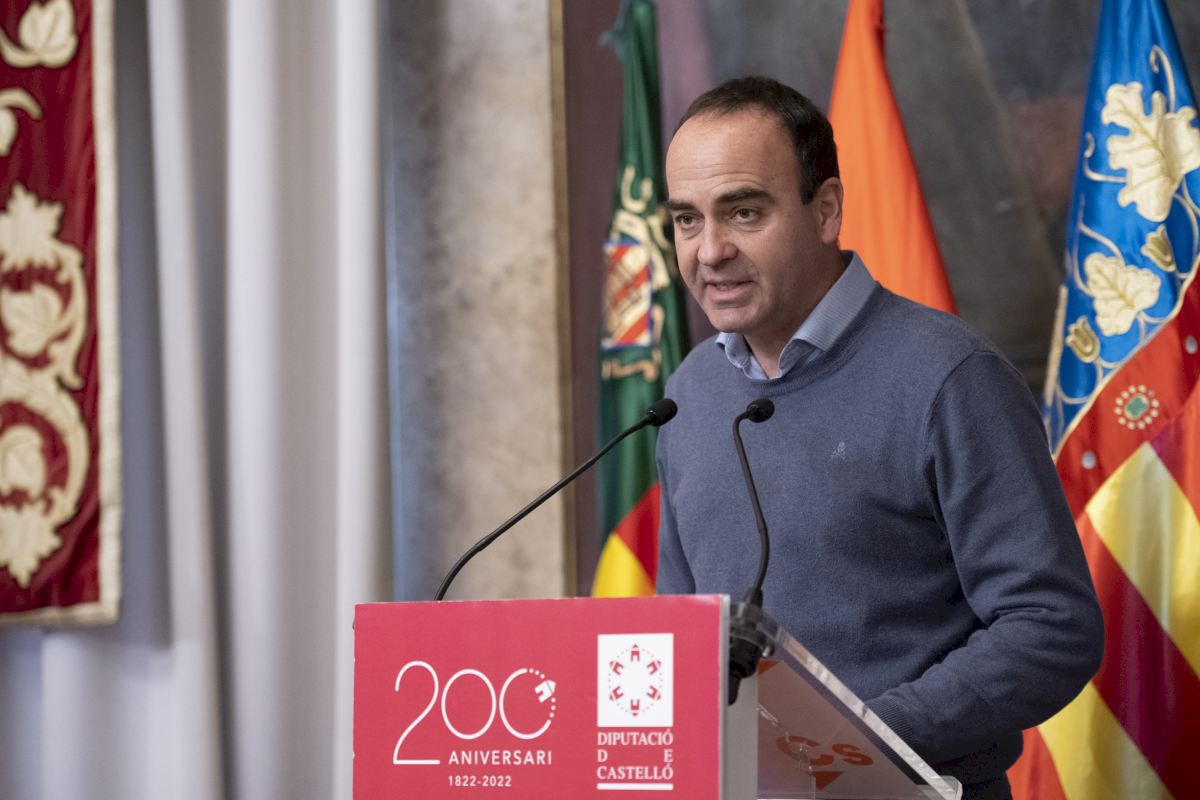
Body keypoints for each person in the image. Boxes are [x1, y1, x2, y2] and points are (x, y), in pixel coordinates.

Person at [656, 75, 1103, 800]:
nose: (709, 250)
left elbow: (1052, 627)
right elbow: (678, 632)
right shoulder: (689, 393)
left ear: (826, 209)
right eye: (686, 220)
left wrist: (853, 739)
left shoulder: (950, 377)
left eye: (743, 212)